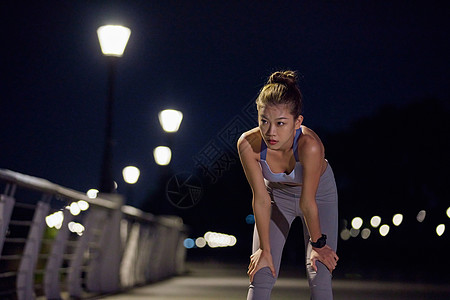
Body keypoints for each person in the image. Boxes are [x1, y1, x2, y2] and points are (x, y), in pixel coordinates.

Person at [237, 70, 339, 299]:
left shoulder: (309, 145)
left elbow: (308, 202)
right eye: (264, 121)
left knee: (319, 273)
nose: (270, 132)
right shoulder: (248, 144)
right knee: (261, 272)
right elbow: (261, 199)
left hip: (318, 198)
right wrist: (264, 249)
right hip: (276, 198)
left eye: (281, 123)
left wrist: (319, 245)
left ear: (297, 122)